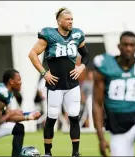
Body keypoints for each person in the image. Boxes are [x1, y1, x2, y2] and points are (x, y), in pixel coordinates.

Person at [28, 7, 89, 157]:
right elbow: (32, 54)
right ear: (59, 21)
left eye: (72, 19)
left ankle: (76, 153)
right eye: (68, 19)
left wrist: (81, 67)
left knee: (74, 117)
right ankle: (48, 153)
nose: (71, 22)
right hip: (55, 85)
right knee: (52, 117)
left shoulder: (77, 34)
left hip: (72, 84)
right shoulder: (49, 34)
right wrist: (43, 73)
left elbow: (86, 54)